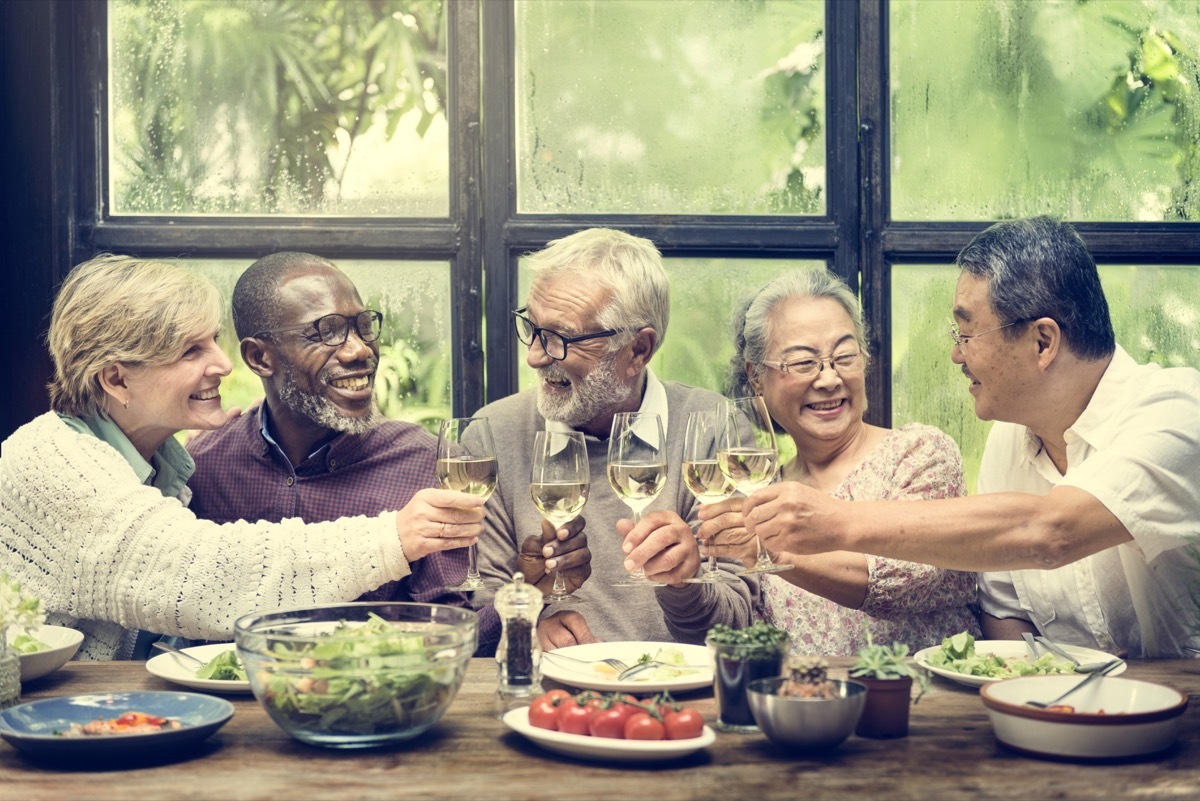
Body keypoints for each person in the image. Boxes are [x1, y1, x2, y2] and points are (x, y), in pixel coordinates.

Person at [706, 217, 1200, 657]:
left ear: (1043, 341)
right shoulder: (1011, 437)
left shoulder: (1176, 412)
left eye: (966, 336)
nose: (955, 356)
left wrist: (829, 520)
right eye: (801, 361)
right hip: (1060, 720)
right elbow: (1004, 610)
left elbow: (1052, 531)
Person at [0, 254, 482, 660]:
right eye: (191, 351)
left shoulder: (168, 462)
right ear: (117, 380)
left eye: (213, 339)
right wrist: (392, 536)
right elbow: (203, 575)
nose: (225, 364)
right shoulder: (53, 462)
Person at [469, 228, 757, 653]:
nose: (534, 355)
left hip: (680, 698)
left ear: (639, 349)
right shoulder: (491, 433)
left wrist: (685, 585)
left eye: (560, 338)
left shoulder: (715, 429)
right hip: (548, 699)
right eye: (531, 327)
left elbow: (741, 628)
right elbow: (474, 613)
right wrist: (525, 623)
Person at [702, 270, 979, 654]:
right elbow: (743, 630)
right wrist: (684, 575)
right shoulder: (762, 494)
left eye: (845, 357)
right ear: (756, 378)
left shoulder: (921, 454)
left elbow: (911, 578)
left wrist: (771, 552)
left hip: (920, 704)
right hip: (805, 708)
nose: (830, 379)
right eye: (803, 363)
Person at [185, 252, 469, 609]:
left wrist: (530, 599)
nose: (359, 349)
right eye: (326, 332)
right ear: (259, 358)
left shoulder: (427, 464)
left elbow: (454, 623)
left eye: (363, 326)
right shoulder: (204, 467)